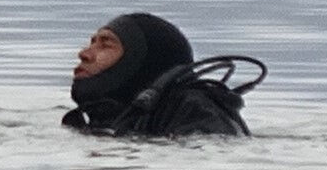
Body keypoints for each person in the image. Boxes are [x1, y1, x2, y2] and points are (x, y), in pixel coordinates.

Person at [63, 11, 262, 138]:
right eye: (92, 43)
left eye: (106, 44)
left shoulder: (192, 109)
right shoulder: (115, 115)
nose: (84, 53)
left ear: (138, 61)